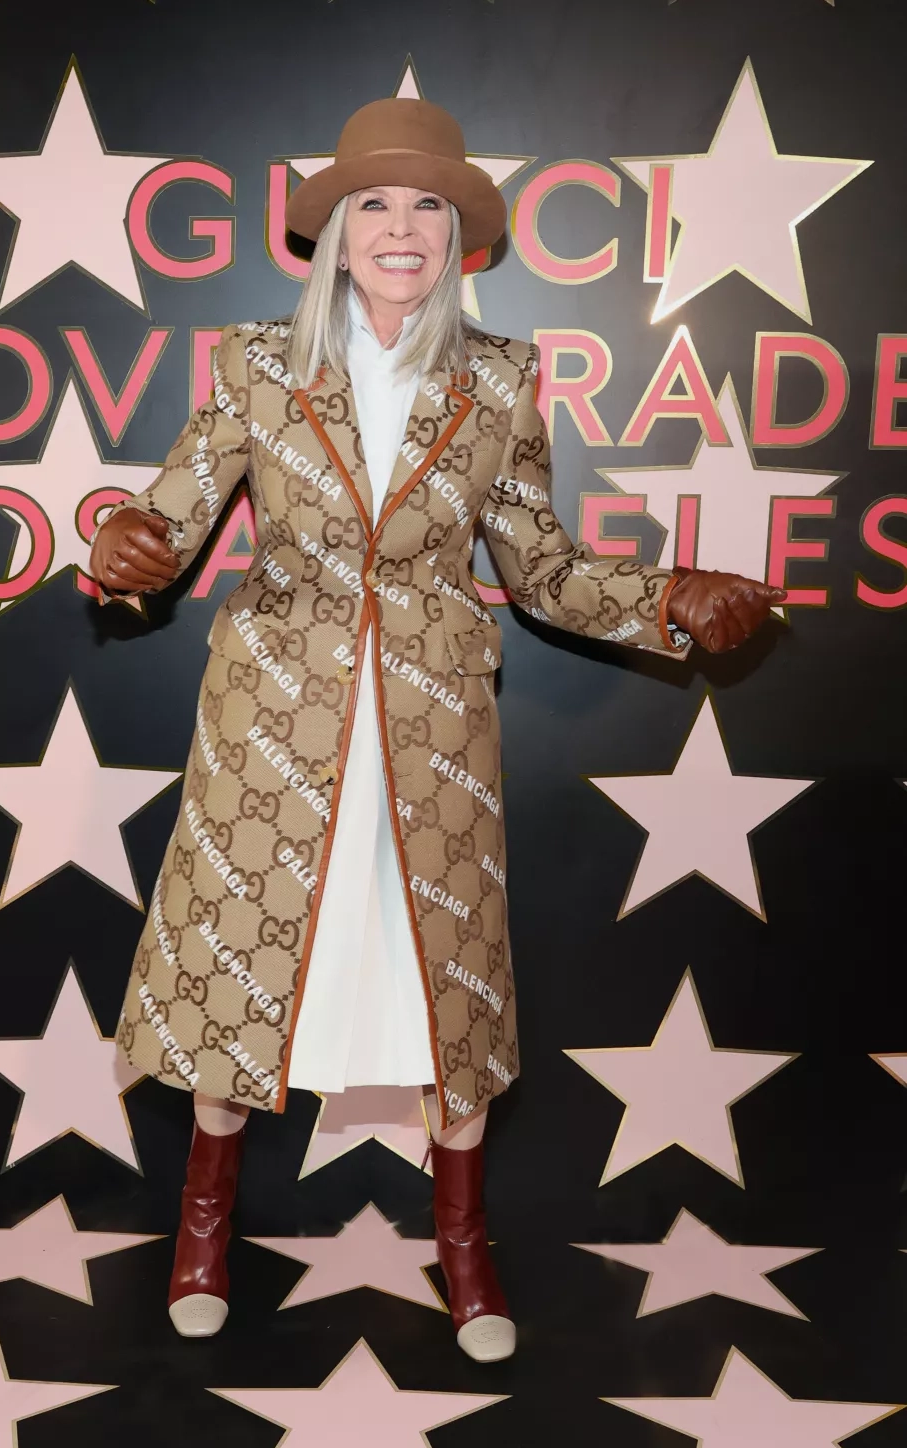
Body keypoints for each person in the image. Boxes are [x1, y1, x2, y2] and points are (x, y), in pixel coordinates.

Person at [90, 98, 783, 1361]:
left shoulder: (498, 379)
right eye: (374, 203)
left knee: (443, 989)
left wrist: (667, 598)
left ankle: (462, 1244)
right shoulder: (255, 365)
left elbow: (540, 569)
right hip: (269, 725)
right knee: (238, 967)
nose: (399, 226)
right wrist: (121, 552)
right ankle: (202, 1227)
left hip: (433, 727)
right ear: (336, 232)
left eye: (426, 206)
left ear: (456, 235)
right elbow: (166, 525)